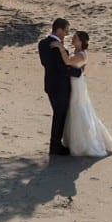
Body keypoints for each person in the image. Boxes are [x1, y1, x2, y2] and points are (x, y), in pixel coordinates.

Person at [51, 30, 112, 157]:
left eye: (75, 38)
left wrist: (60, 47)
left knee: (79, 108)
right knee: (74, 108)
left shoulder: (81, 54)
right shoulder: (76, 52)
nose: (73, 39)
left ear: (81, 41)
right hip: (73, 81)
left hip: (77, 84)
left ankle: (86, 142)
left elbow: (67, 62)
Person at [38, 17, 75, 156]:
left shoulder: (42, 43)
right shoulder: (59, 48)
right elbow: (62, 68)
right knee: (60, 115)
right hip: (60, 87)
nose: (66, 34)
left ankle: (56, 145)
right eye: (66, 30)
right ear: (59, 29)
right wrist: (77, 72)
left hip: (50, 85)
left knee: (58, 114)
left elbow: (46, 63)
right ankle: (55, 146)